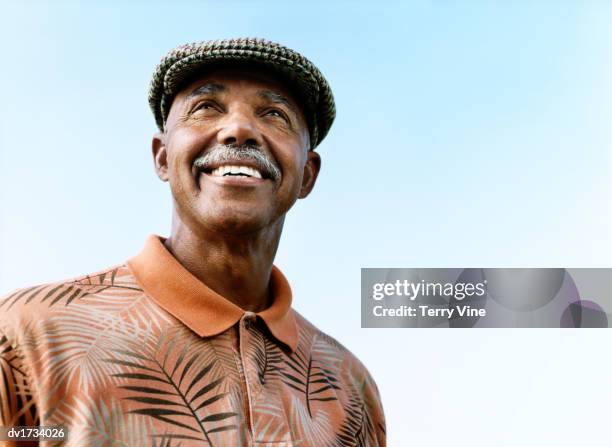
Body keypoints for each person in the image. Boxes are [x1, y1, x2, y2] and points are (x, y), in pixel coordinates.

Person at [0, 38, 386, 446]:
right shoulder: (28, 336)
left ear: (307, 175)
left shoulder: (348, 388)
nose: (239, 129)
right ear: (163, 157)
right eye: (206, 108)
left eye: (274, 113)